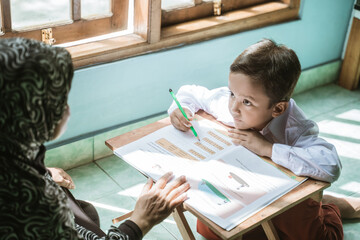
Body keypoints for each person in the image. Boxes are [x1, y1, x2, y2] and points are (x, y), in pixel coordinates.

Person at [168, 39, 360, 240]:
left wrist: (268, 149)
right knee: (212, 230)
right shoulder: (230, 106)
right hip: (244, 187)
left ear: (278, 108)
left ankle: (328, 207)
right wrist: (180, 110)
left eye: (247, 102)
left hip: (285, 197)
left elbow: (330, 165)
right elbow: (189, 93)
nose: (233, 107)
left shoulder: (295, 128)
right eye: (232, 93)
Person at [0, 37, 190, 239]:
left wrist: (43, 174)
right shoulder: (32, 209)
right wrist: (141, 220)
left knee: (87, 211)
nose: (67, 108)